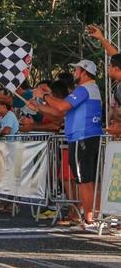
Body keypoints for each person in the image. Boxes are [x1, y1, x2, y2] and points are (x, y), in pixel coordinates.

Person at [33, 59, 103, 228]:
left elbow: (62, 106)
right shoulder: (88, 90)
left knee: (85, 181)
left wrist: (44, 96)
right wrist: (39, 107)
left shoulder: (84, 89)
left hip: (82, 138)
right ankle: (91, 217)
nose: (74, 73)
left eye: (76, 70)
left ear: (84, 72)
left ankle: (90, 219)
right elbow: (60, 112)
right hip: (84, 137)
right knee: (88, 180)